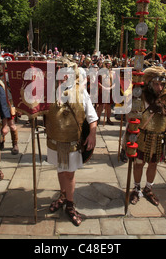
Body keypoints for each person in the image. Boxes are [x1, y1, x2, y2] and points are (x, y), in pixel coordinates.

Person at [46, 61, 98, 226]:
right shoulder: (52, 92)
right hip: (55, 141)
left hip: (72, 142)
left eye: (68, 73)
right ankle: (62, 195)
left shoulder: (81, 92)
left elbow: (92, 117)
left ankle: (70, 204)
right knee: (61, 170)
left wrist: (92, 135)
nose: (65, 76)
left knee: (69, 173)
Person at [128, 66, 166, 206]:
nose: (159, 87)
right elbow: (130, 118)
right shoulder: (140, 98)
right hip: (142, 137)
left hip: (158, 139)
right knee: (138, 164)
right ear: (150, 84)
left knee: (153, 164)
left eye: (162, 84)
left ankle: (148, 188)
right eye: (156, 83)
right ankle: (136, 188)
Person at [0, 55, 19, 155]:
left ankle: (15, 144)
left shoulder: (9, 75)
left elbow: (15, 89)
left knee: (11, 125)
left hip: (8, 102)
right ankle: (1, 141)